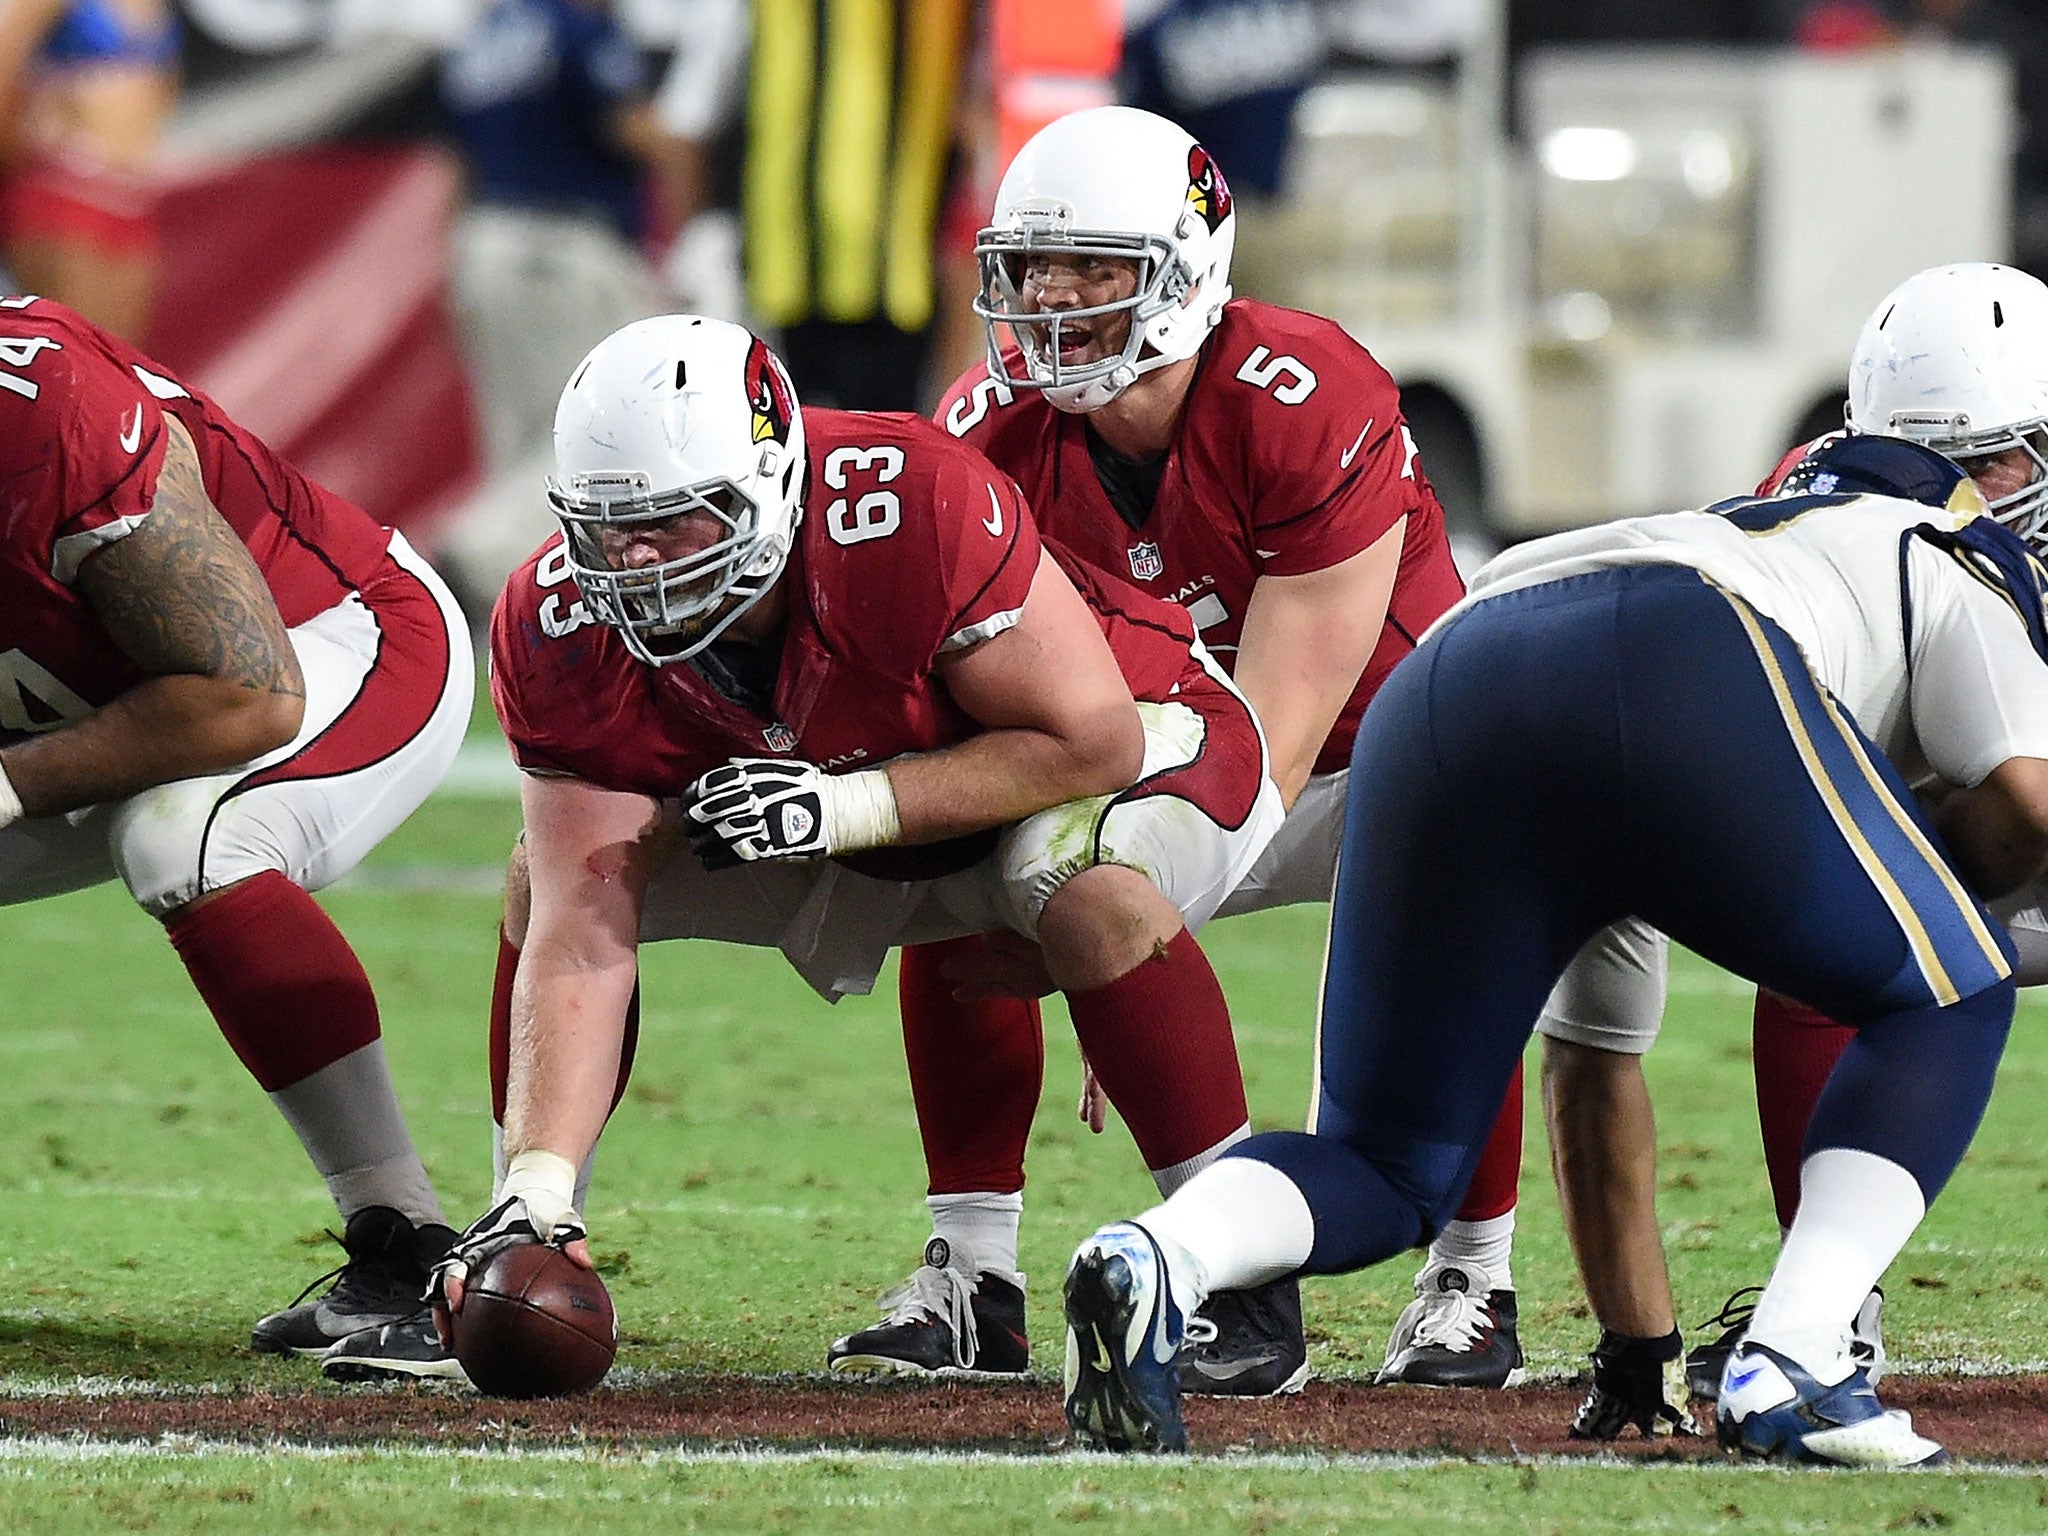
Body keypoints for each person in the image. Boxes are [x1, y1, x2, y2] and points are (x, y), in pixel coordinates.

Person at [829, 102, 1665, 1397]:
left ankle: (1472, 1274)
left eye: (1094, 270)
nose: (1052, 303)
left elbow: (1271, 744)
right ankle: (973, 1269)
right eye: (1035, 269)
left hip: (1396, 758)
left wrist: (1130, 928)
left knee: (1445, 943)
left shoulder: (1300, 395)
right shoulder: (991, 430)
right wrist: (1092, 919)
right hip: (1179, 753)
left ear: (1185, 267)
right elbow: (1008, 718)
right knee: (963, 861)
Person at [1060, 430, 2048, 1468]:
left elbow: (1586, 1072)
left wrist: (1636, 1345)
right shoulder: (1944, 548)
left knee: (1386, 1167)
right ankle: (1799, 1360)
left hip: (1450, 673)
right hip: (1684, 656)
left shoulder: (1732, 549)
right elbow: (2022, 810)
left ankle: (1158, 1254)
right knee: (1954, 987)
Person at [339, 312, 1286, 1380]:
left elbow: (1092, 737)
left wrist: (838, 811)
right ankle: (525, 1240)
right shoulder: (553, 622)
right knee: (544, 878)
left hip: (1144, 727)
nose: (638, 563)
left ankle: (1241, 1283)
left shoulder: (911, 500)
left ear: (769, 489)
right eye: (613, 529)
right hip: (863, 785)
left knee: (1073, 886)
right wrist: (536, 1183)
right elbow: (577, 924)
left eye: (678, 523)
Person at [1547, 260, 2048, 1436]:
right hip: (1983, 805)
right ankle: (1826, 1309)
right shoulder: (1838, 504)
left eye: (1998, 464)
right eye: (1947, 464)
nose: (1967, 496)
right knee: (1838, 944)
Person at [0, 294, 473, 1361]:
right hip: (79, 700)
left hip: (325, 644)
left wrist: (7, 784)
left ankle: (412, 1251)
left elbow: (241, 698)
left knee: (185, 839)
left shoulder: (50, 419)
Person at [0, 0, 180, 342]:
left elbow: (160, 83)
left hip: (129, 194)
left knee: (121, 372)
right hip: (65, 193)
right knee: (69, 363)